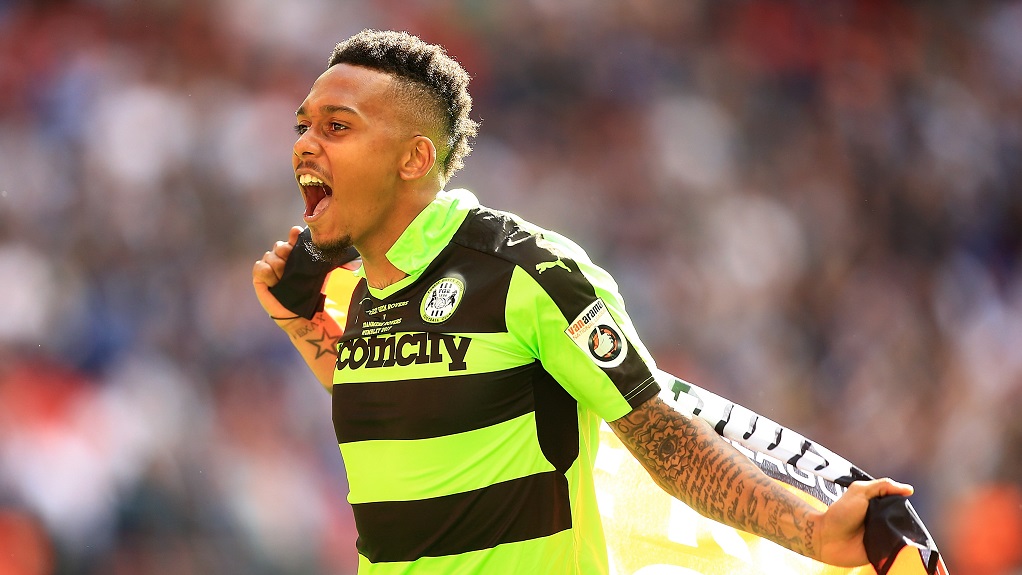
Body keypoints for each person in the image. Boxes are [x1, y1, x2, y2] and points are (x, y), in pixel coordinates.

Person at [252, 29, 914, 574]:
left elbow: (666, 441)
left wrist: (813, 530)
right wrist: (296, 319)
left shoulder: (526, 270)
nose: (305, 143)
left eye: (337, 126)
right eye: (304, 124)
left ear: (413, 158)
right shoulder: (369, 292)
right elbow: (403, 409)